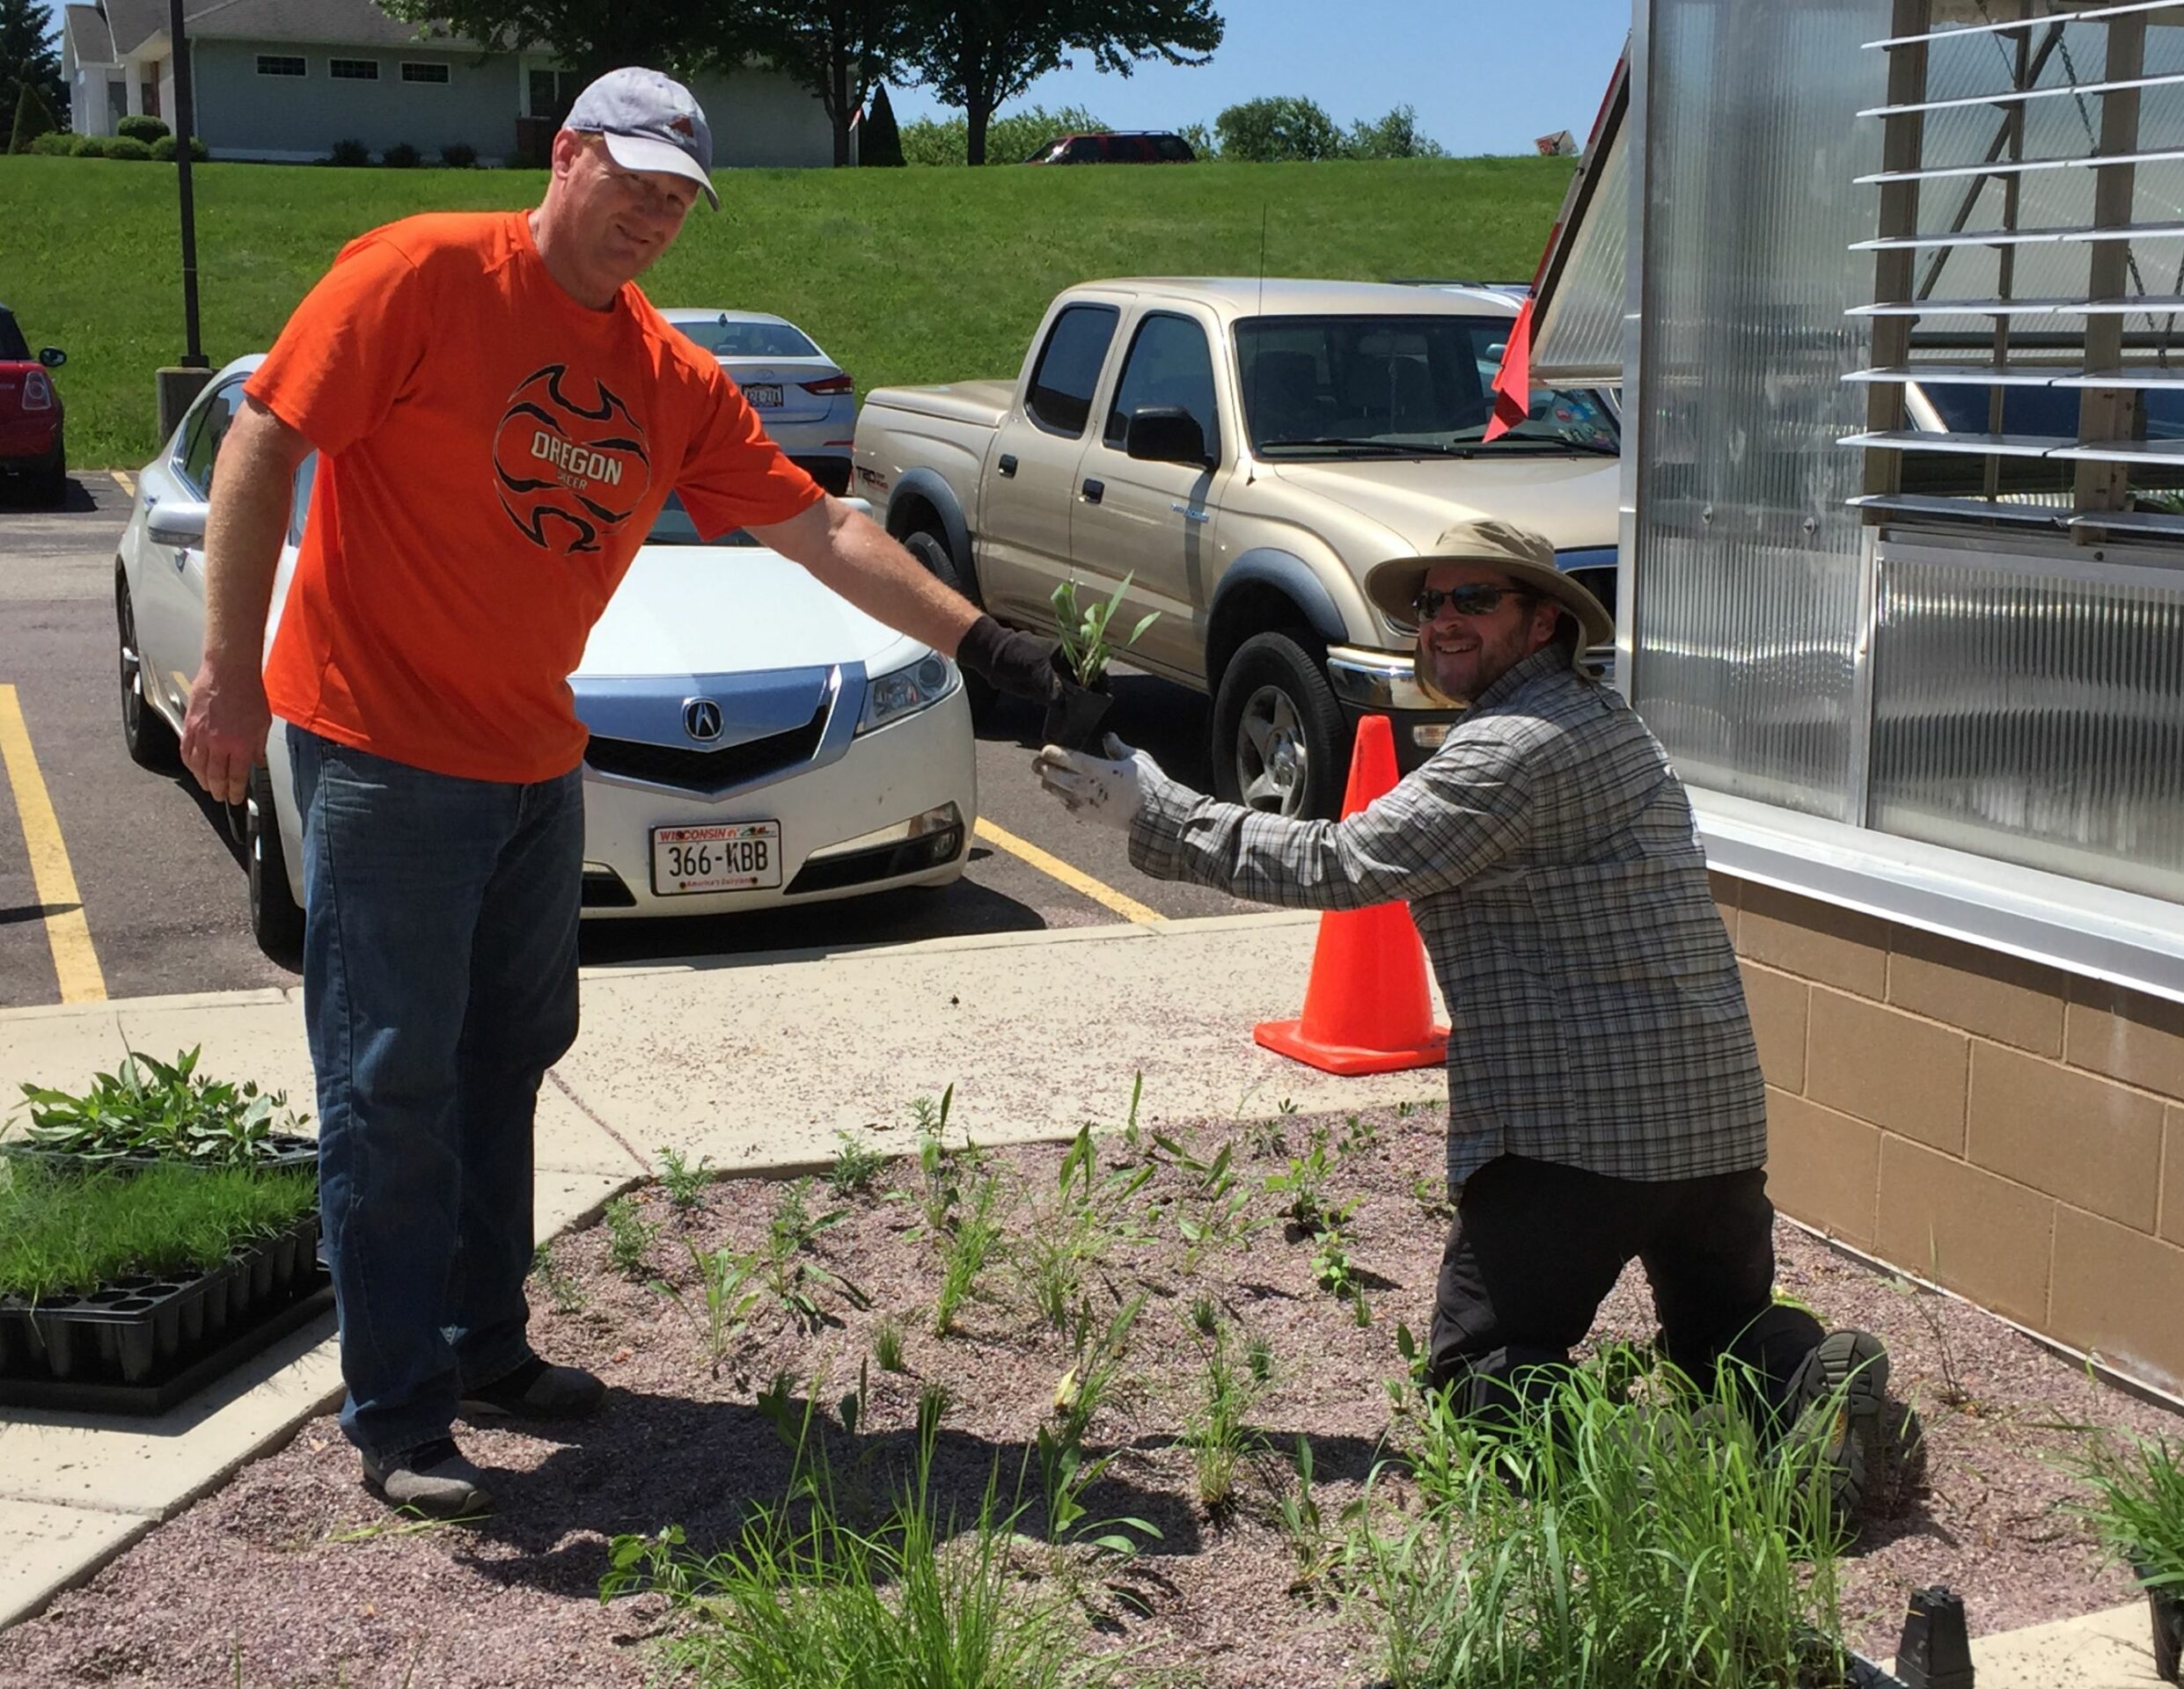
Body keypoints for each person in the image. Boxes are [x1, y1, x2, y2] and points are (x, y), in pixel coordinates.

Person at [178, 69, 1058, 1518]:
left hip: (535, 759)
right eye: (633, 179)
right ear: (566, 154)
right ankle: (395, 1412)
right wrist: (226, 672)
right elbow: (266, 438)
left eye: (677, 197)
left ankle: (481, 1345)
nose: (653, 215)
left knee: (511, 1052)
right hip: (384, 749)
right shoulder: (421, 274)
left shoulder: (667, 377)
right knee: (388, 1077)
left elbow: (820, 523)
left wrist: (982, 639)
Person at [1035, 518, 1890, 1518]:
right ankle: (1808, 1389)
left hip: (1572, 1136)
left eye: (1473, 600)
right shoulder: (1605, 721)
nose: (1440, 622)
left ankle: (1660, 1484)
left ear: (1542, 622)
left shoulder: (1510, 751)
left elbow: (1343, 863)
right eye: (1429, 602)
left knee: (1480, 1370)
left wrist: (1153, 809)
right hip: (1713, 1127)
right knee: (1722, 1339)